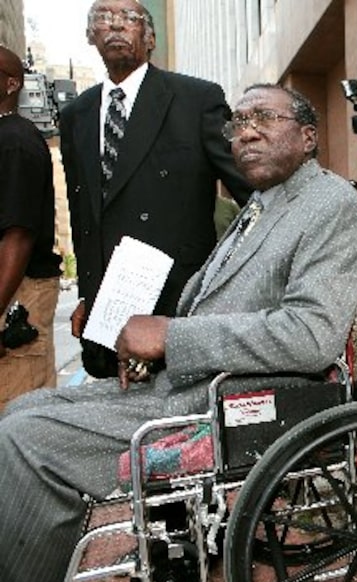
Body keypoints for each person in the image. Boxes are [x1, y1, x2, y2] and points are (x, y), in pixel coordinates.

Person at [0, 84, 357, 582]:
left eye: (263, 117)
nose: (245, 132)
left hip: (229, 402)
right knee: (21, 411)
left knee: (25, 441)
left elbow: (312, 335)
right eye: (237, 123)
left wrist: (171, 338)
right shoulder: (263, 202)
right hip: (190, 383)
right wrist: (148, 346)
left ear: (308, 136)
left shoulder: (331, 205)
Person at [60, 0, 252, 379]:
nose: (115, 26)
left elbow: (250, 188)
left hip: (178, 302)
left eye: (129, 18)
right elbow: (83, 212)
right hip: (108, 308)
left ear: (150, 38)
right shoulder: (75, 114)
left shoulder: (197, 100)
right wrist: (86, 292)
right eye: (102, 18)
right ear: (89, 35)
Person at [0, 46, 62, 408]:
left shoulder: (14, 141)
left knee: (19, 414)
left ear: (11, 84)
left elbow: (18, 235)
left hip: (17, 298)